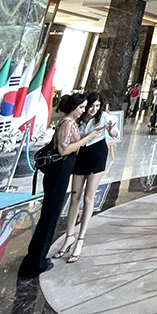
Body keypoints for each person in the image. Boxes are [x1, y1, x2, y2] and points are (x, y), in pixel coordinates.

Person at [18, 93, 104, 278]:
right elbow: (64, 149)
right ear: (73, 107)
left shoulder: (71, 123)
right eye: (81, 107)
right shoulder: (67, 123)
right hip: (58, 173)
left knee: (51, 214)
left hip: (61, 172)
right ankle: (36, 262)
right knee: (49, 216)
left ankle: (37, 257)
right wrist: (87, 138)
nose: (83, 111)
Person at [55, 92, 119, 264]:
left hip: (97, 154)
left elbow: (115, 133)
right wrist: (87, 136)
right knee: (74, 196)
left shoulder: (104, 117)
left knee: (89, 197)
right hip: (80, 154)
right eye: (91, 105)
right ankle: (69, 236)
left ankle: (80, 238)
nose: (93, 109)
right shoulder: (78, 117)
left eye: (97, 106)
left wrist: (110, 129)